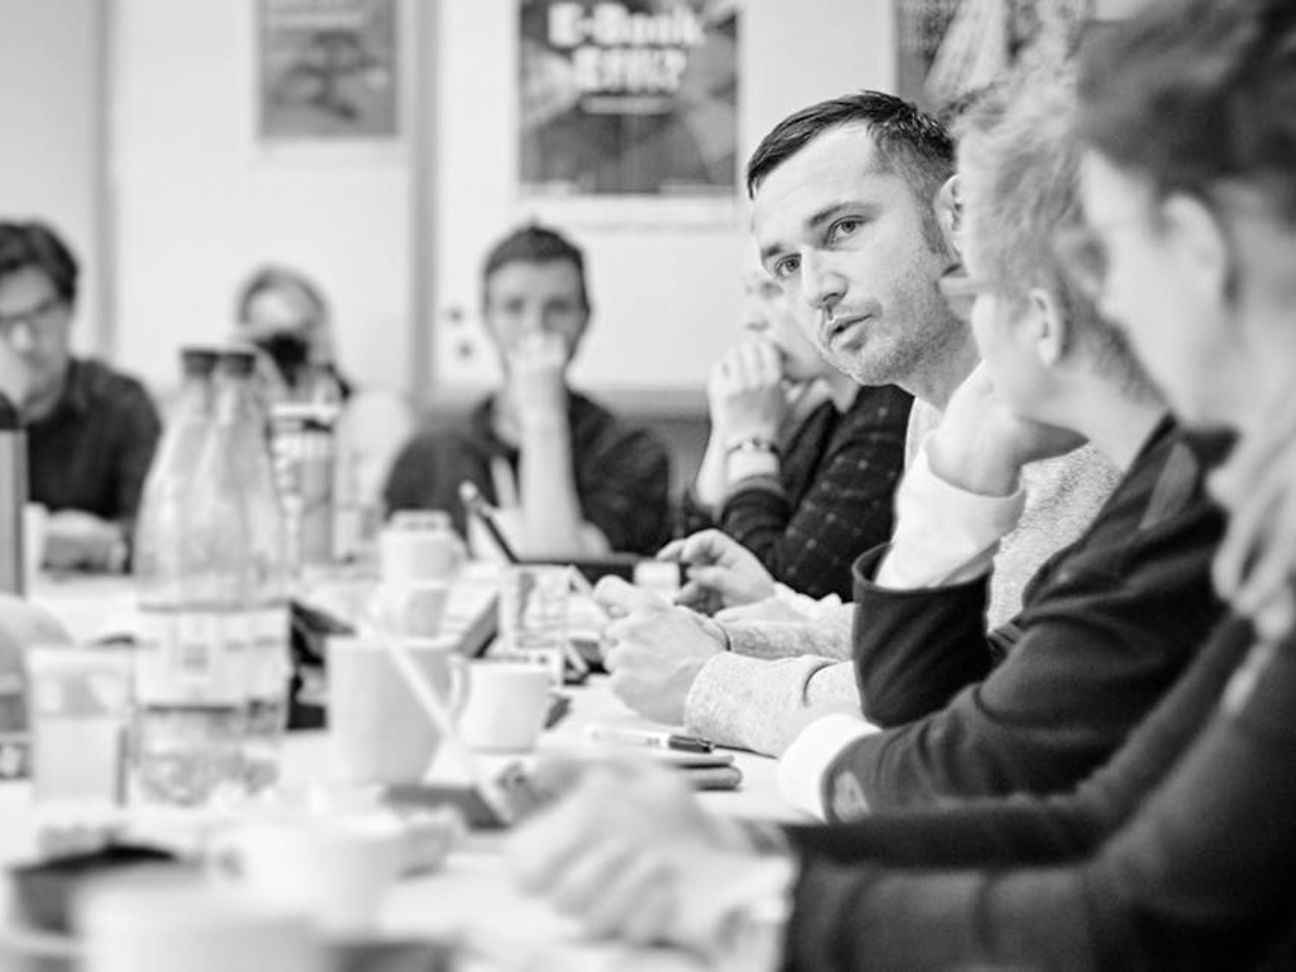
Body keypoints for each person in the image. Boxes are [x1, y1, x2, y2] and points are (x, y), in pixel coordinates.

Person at [508, 2, 1296, 966]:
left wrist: (745, 890)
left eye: (1106, 260)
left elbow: (1039, 813)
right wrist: (747, 857)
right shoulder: (1205, 479)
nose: (812, 289)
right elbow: (1075, 807)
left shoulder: (1192, 476)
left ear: (1196, 252)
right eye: (785, 266)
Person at [593, 90, 1121, 755]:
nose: (816, 289)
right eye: (787, 266)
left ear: (956, 218)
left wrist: (705, 680)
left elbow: (969, 702)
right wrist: (726, 640)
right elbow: (918, 636)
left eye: (843, 228)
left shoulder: (1056, 404)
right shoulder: (933, 407)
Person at [383, 225, 671, 556]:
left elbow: (559, 563)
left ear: (585, 319)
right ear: (487, 319)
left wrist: (543, 418)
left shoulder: (631, 453)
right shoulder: (427, 457)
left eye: (558, 308)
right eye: (514, 307)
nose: (535, 327)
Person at [673, 264, 911, 603]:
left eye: (771, 289)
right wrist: (727, 428)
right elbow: (695, 563)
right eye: (748, 292)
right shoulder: (820, 417)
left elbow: (770, 592)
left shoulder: (890, 416)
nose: (750, 320)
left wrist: (751, 442)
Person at [0, 221, 160, 572]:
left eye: (41, 314)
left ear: (70, 308)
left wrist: (108, 542)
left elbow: (160, 533)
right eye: (4, 322)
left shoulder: (120, 404)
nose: (23, 342)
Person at [235, 264, 416, 548]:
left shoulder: (374, 414)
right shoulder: (243, 431)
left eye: (304, 329)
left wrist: (302, 415)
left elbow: (362, 525)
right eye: (273, 342)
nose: (291, 350)